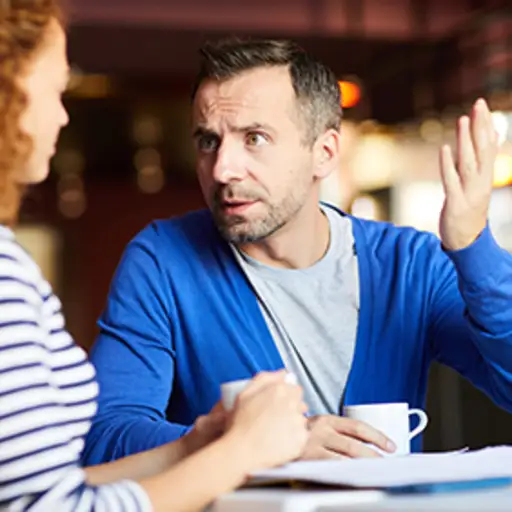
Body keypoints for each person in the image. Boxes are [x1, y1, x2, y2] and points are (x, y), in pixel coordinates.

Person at [84, 37, 512, 466]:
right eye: (209, 141)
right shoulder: (163, 261)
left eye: (254, 138)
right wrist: (253, 446)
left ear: (323, 153)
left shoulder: (409, 266)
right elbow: (106, 437)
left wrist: (473, 247)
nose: (222, 169)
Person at [0, 5, 309, 511]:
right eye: (55, 89)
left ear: (324, 152)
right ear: (8, 92)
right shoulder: (10, 275)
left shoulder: (402, 256)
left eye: (256, 138)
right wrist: (241, 452)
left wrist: (195, 446)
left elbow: (51, 491)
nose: (63, 114)